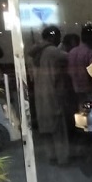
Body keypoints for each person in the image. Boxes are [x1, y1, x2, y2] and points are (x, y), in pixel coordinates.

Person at [30, 25, 72, 166]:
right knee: (58, 130)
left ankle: (51, 156)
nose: (60, 39)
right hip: (53, 94)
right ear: (53, 37)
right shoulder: (52, 51)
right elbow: (70, 58)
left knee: (46, 130)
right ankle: (62, 159)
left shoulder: (36, 51)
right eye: (58, 36)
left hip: (40, 95)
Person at [68, 23, 92, 105]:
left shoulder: (72, 52)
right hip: (89, 90)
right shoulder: (90, 53)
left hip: (75, 89)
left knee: (81, 109)